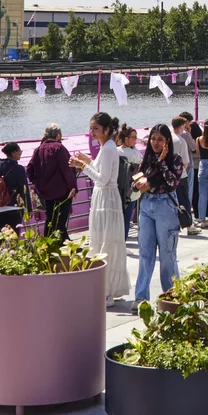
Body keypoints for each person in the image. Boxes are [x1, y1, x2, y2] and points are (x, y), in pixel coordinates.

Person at [73, 113, 132, 304]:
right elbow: (103, 171)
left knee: (104, 242)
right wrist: (89, 161)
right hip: (104, 198)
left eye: (95, 128)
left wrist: (83, 166)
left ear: (106, 130)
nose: (92, 132)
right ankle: (108, 289)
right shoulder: (106, 147)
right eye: (91, 128)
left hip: (106, 198)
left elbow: (103, 179)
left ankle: (106, 291)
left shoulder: (108, 148)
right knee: (104, 241)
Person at [132, 124, 185, 302]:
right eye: (153, 139)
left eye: (160, 139)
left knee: (167, 254)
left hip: (166, 206)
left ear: (167, 141)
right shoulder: (146, 159)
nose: (155, 143)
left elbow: (172, 183)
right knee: (145, 253)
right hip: (147, 205)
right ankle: (141, 297)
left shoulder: (175, 159)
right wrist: (139, 185)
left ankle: (171, 295)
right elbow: (135, 180)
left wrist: (162, 161)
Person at [27, 124, 78, 240]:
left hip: (45, 192)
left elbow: (29, 169)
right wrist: (73, 188)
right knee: (61, 218)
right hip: (62, 191)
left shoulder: (38, 150)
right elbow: (67, 170)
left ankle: (50, 243)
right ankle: (59, 243)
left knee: (50, 218)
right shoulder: (59, 148)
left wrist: (37, 183)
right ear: (58, 135)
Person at [0, 141, 30, 234]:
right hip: (14, 207)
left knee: (1, 237)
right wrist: (29, 209)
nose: (20, 153)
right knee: (14, 237)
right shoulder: (19, 168)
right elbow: (24, 189)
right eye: (20, 151)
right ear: (14, 153)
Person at [171, 115, 198, 235]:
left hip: (169, 175)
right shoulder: (182, 140)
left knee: (172, 200)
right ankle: (188, 224)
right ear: (181, 126)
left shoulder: (168, 139)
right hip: (181, 175)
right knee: (185, 200)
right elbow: (185, 162)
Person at [117, 124, 142, 236]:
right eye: (134, 137)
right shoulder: (133, 154)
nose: (135, 140)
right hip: (130, 192)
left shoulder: (116, 151)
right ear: (127, 139)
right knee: (126, 218)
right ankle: (123, 241)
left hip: (118, 190)